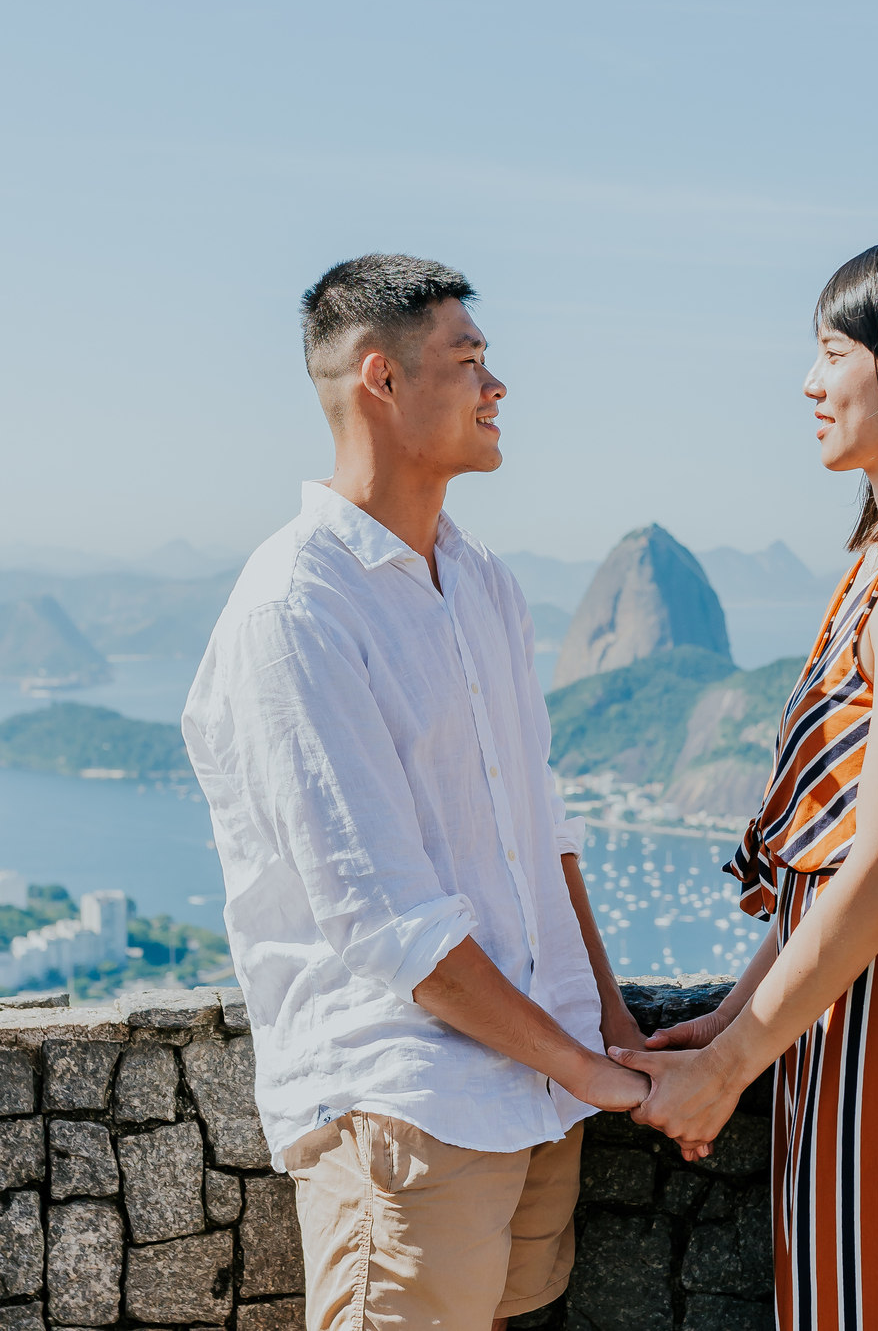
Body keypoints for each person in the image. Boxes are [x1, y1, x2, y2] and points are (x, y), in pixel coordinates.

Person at [182, 253, 648, 1331]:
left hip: (539, 1098)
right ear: (380, 380)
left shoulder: (483, 579)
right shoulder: (297, 608)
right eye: (469, 359)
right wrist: (591, 1065)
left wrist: (609, 1026)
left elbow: (546, 826)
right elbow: (386, 921)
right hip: (410, 1116)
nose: (498, 386)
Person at [609, 237, 878, 1331]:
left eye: (834, 349)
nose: (810, 381)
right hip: (852, 1005)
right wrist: (737, 1014)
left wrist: (734, 1059)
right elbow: (838, 851)